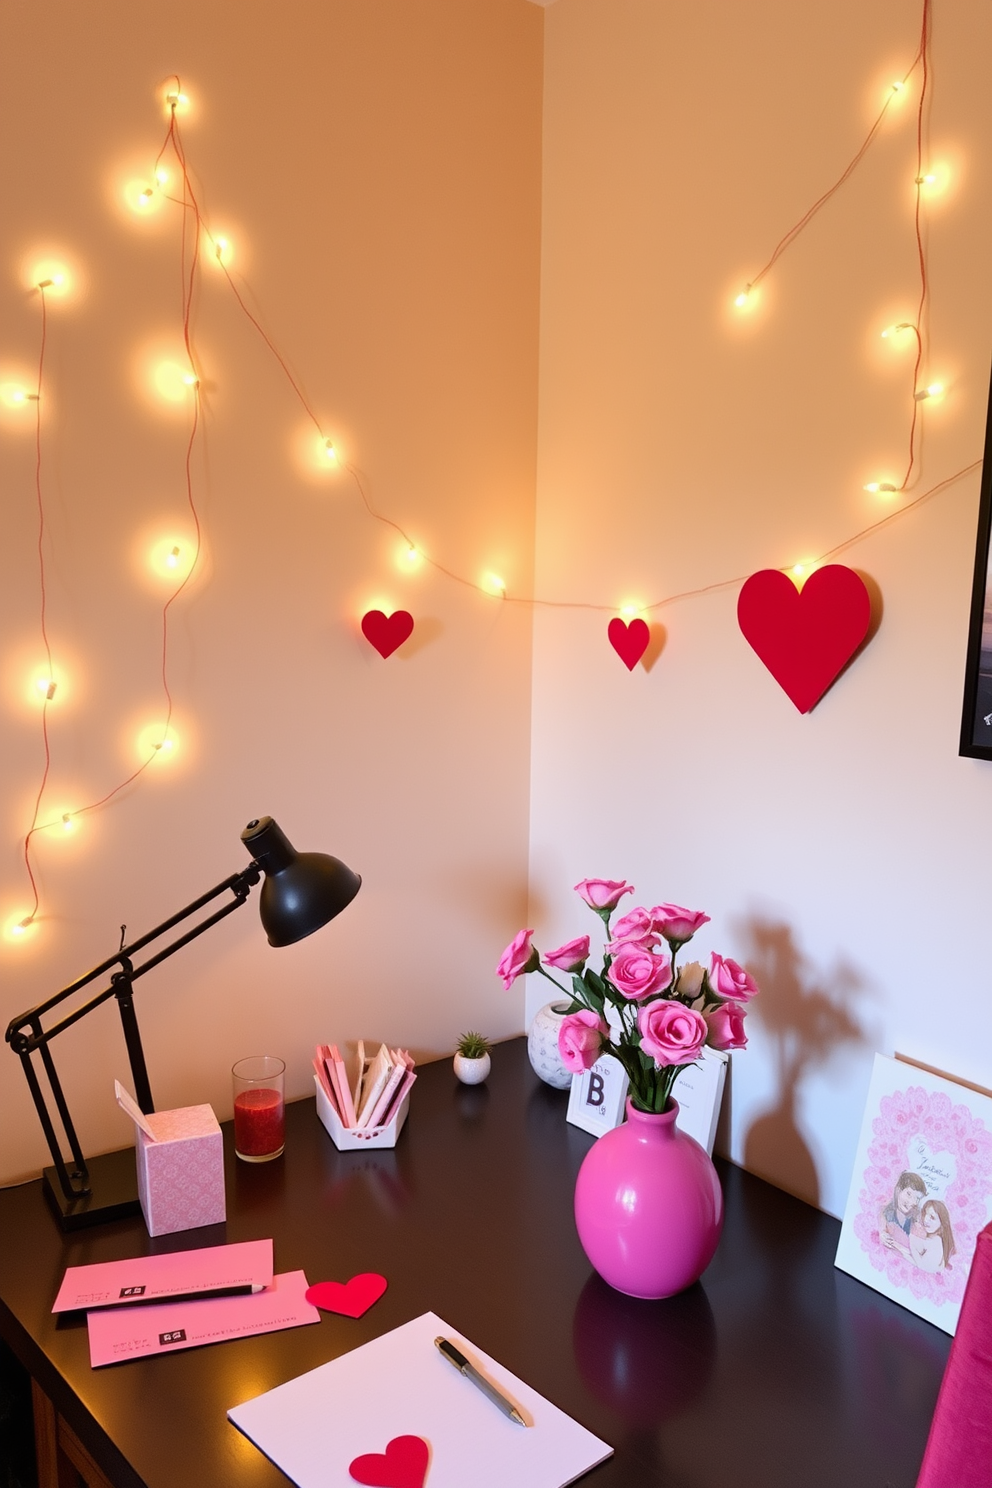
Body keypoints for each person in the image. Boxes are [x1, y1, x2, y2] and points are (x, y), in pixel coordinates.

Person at [879, 1171, 927, 1255]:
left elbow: (920, 1253)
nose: (913, 1202)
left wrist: (897, 1246)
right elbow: (880, 1229)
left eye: (917, 1198)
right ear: (898, 1190)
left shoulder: (918, 1221)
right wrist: (882, 1234)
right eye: (909, 1194)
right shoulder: (885, 1212)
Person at [909, 1199, 956, 1273]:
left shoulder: (936, 1241)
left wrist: (912, 1243)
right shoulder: (928, 1238)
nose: (926, 1220)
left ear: (942, 1224)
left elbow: (922, 1266)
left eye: (932, 1217)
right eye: (925, 1214)